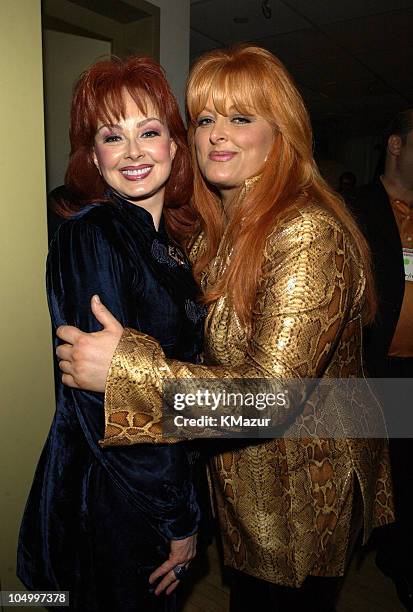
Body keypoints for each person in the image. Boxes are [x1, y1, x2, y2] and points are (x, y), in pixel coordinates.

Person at [55, 46, 394, 611]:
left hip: (299, 497)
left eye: (241, 118)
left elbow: (268, 404)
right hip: (243, 486)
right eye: (206, 119)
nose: (218, 134)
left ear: (280, 132)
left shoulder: (304, 231)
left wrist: (127, 371)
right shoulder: (221, 225)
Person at [17, 56, 206, 612]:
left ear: (175, 145)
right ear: (95, 160)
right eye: (111, 136)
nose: (133, 152)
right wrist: (178, 516)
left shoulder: (171, 247)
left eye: (149, 132)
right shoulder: (91, 234)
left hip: (160, 478)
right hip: (115, 494)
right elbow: (105, 403)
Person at [351, 109, 412, 610]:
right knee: (372, 470)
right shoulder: (354, 208)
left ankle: (399, 561)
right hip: (373, 369)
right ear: (396, 145)